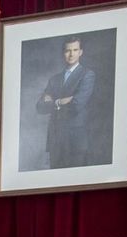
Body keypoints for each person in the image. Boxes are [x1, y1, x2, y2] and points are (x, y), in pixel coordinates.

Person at [36, 38, 98, 169]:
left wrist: (53, 102)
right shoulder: (54, 79)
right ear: (63, 53)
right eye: (68, 50)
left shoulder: (87, 75)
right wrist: (60, 101)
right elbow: (40, 107)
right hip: (56, 141)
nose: (71, 54)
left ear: (81, 52)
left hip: (75, 141)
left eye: (75, 50)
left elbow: (76, 104)